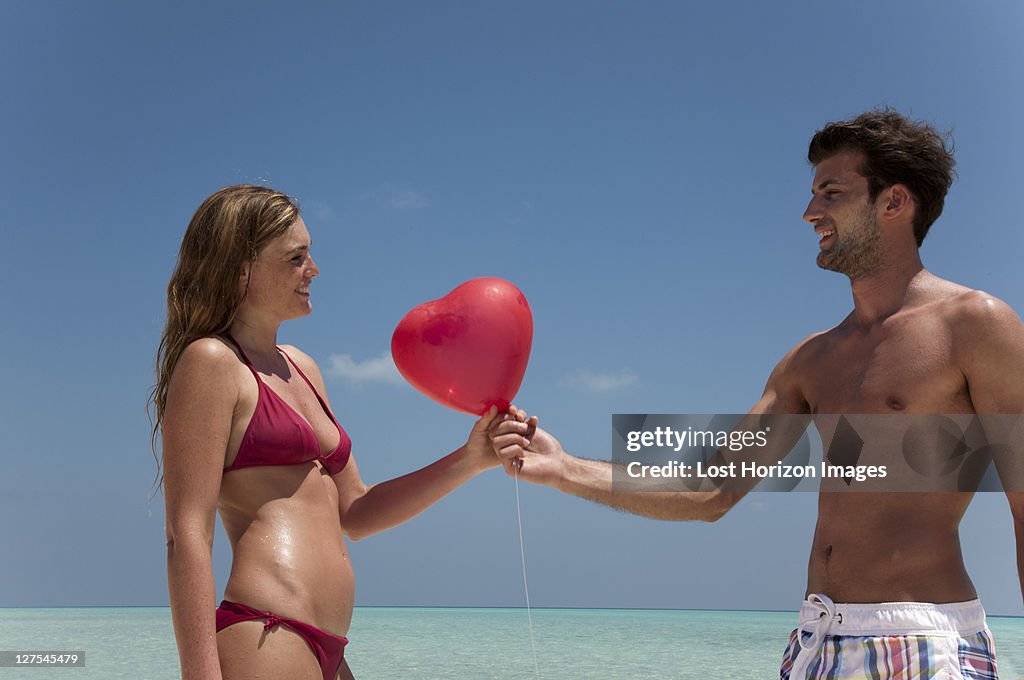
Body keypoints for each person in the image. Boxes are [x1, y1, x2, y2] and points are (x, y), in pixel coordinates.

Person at [490, 109, 1024, 678]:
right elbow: (711, 490)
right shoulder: (809, 360)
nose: (809, 211)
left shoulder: (974, 324)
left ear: (894, 202)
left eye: (831, 192)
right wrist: (563, 467)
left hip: (921, 642)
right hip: (815, 643)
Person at [150, 185, 502, 680]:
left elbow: (356, 511)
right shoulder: (211, 362)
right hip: (266, 631)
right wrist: (200, 675)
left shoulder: (305, 369)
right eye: (296, 258)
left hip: (329, 647)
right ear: (240, 269)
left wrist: (470, 459)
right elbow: (186, 533)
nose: (313, 269)